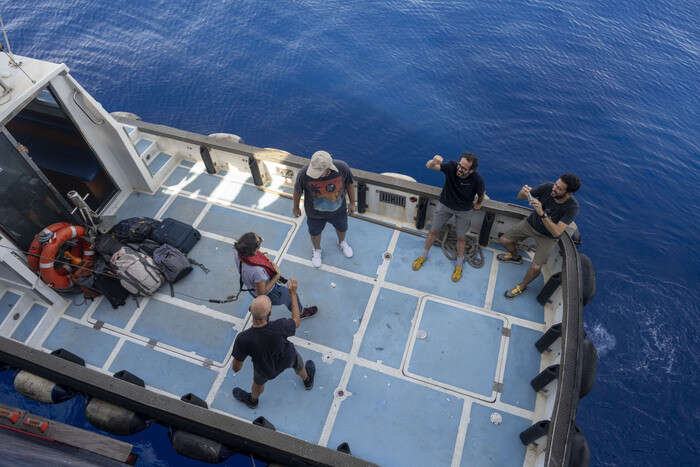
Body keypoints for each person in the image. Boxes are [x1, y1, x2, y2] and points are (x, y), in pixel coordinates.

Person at [231, 280, 316, 409]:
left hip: (265, 369)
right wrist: (292, 294)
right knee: (298, 363)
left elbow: (236, 368)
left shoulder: (243, 339)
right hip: (288, 357)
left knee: (258, 384)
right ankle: (307, 381)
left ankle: (253, 401)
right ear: (269, 313)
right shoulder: (281, 326)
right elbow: (296, 321)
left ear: (250, 310)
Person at [497, 174, 581, 298]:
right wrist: (524, 192)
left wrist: (542, 213)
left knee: (536, 268)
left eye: (559, 188)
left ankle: (522, 286)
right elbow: (519, 197)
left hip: (548, 237)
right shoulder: (548, 187)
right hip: (531, 224)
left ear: (569, 193)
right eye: (556, 184)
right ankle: (515, 257)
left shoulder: (572, 207)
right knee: (504, 240)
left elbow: (557, 232)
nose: (554, 188)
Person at [412, 152, 485, 282]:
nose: (459, 169)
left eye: (464, 168)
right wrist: (434, 161)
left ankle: (459, 265)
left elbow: (481, 194)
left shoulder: (477, 179)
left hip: (464, 210)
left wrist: (479, 203)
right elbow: (429, 166)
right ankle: (423, 256)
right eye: (460, 165)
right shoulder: (451, 166)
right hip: (445, 204)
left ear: (471, 170)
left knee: (461, 238)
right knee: (433, 231)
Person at [292, 150, 356, 268]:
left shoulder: (342, 168)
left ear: (328, 169)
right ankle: (317, 250)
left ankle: (342, 242)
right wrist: (295, 207)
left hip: (339, 210)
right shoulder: (303, 173)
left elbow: (349, 183)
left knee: (342, 227)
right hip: (314, 214)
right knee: (314, 232)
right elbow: (297, 190)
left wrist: (352, 203)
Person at [233, 232, 318, 319]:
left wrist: (263, 258)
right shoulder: (257, 271)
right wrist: (277, 275)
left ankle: (264, 317)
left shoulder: (238, 252)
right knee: (292, 296)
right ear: (253, 250)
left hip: (252, 288)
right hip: (272, 292)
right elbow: (262, 293)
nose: (261, 240)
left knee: (264, 309)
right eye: (259, 242)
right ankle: (301, 312)